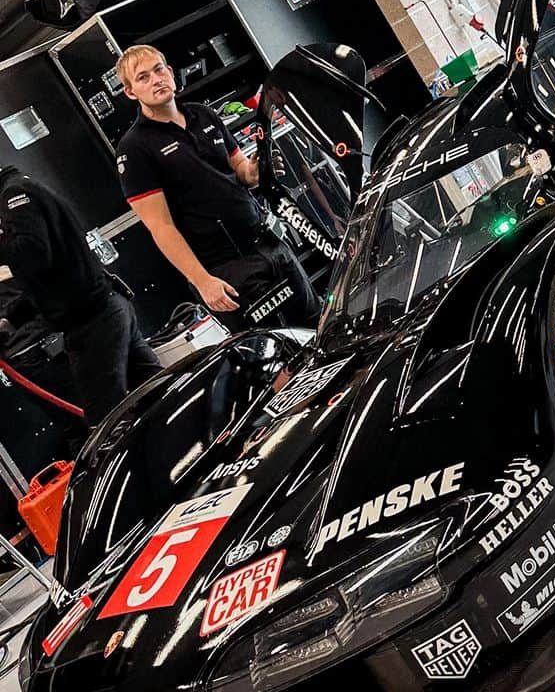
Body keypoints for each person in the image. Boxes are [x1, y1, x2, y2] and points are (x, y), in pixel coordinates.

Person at [115, 43, 319, 332]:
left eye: (159, 70)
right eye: (143, 77)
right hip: (226, 270)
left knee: (318, 326)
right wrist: (202, 281)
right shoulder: (134, 148)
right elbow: (161, 227)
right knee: (278, 352)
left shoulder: (203, 115)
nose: (156, 79)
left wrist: (259, 169)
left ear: (171, 73)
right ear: (131, 92)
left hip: (269, 243)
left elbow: (241, 171)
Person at [0, 166, 161, 427]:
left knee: (107, 424)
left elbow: (34, 253)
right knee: (160, 391)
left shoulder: (14, 194)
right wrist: (11, 321)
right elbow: (53, 277)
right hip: (107, 310)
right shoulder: (24, 189)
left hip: (94, 322)